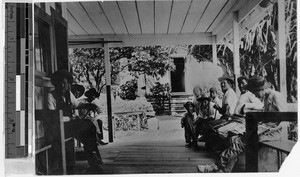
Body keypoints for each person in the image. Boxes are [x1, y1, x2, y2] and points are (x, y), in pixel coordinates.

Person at [47, 70, 103, 173]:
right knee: (87, 128)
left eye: (64, 83)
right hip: (57, 128)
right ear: (55, 83)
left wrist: (92, 105)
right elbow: (52, 117)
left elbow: (78, 105)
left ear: (67, 83)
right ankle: (93, 160)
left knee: (89, 126)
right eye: (59, 83)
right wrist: (70, 119)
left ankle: (93, 159)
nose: (62, 85)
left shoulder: (68, 94)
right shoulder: (51, 96)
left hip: (69, 126)